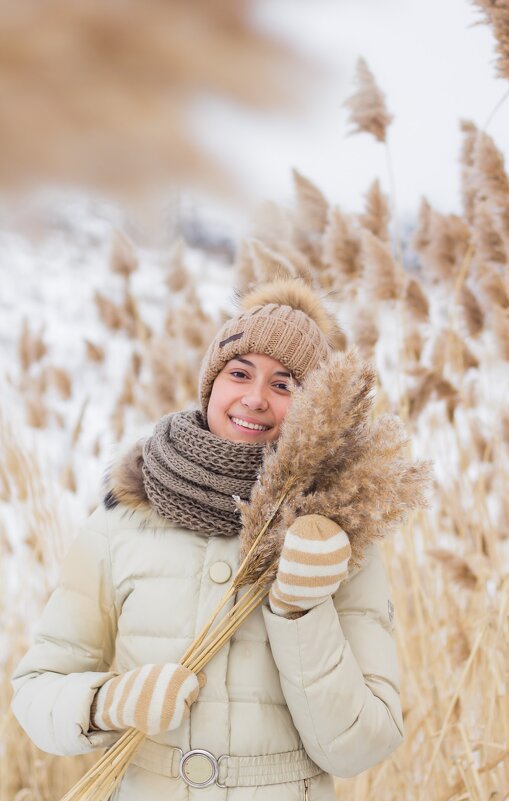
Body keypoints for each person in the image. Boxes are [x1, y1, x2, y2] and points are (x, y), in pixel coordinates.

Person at [11, 277, 403, 800]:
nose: (256, 398)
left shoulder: (337, 536)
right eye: (239, 373)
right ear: (212, 383)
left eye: (285, 384)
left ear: (313, 409)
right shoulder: (122, 519)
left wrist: (301, 611)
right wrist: (107, 702)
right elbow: (36, 690)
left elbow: (361, 747)